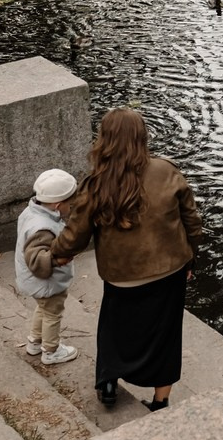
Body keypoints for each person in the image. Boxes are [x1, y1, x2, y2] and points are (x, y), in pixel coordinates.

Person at [49, 108, 202, 411]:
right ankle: (161, 401)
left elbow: (75, 236)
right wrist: (190, 260)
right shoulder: (167, 171)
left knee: (114, 328)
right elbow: (192, 222)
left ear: (103, 140)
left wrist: (54, 253)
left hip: (122, 276)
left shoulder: (95, 183)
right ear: (143, 137)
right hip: (169, 270)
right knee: (166, 335)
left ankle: (108, 383)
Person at [15, 168, 80, 366]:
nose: (71, 207)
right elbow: (35, 259)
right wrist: (57, 260)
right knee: (53, 313)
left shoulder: (30, 212)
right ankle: (51, 351)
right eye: (70, 204)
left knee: (43, 309)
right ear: (58, 205)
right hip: (47, 283)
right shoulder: (43, 227)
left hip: (34, 283)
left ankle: (35, 342)